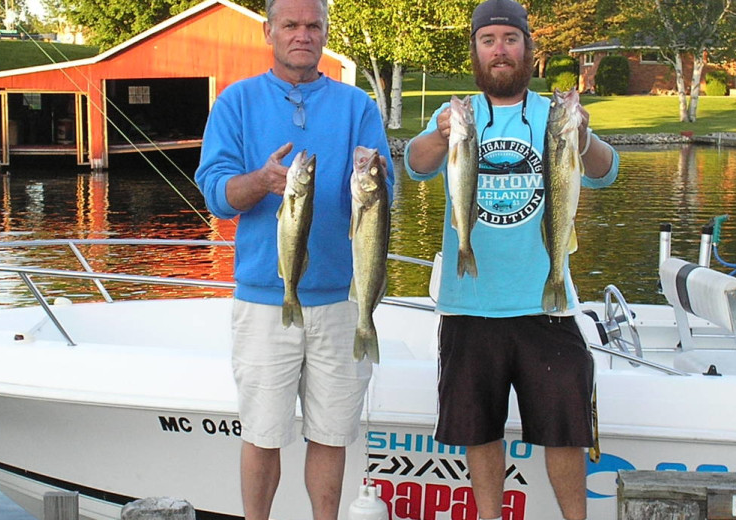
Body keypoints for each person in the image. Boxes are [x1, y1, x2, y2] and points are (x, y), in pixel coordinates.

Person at [403, 0, 619, 519]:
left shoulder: (553, 114)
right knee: (479, 431)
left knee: (565, 431)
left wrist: (582, 135)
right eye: (488, 40)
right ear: (476, 51)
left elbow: (606, 171)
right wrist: (439, 134)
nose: (500, 50)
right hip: (469, 305)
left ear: (527, 47)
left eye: (510, 39)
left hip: (549, 304)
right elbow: (414, 164)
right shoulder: (459, 117)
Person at [194, 0, 394, 518]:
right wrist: (260, 180)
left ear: (325, 33)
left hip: (341, 300)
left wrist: (372, 171)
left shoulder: (357, 107)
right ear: (269, 31)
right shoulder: (235, 103)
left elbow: (381, 185)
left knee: (330, 434)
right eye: (291, 25)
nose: (302, 35)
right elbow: (216, 194)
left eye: (313, 25)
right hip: (265, 300)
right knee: (263, 433)